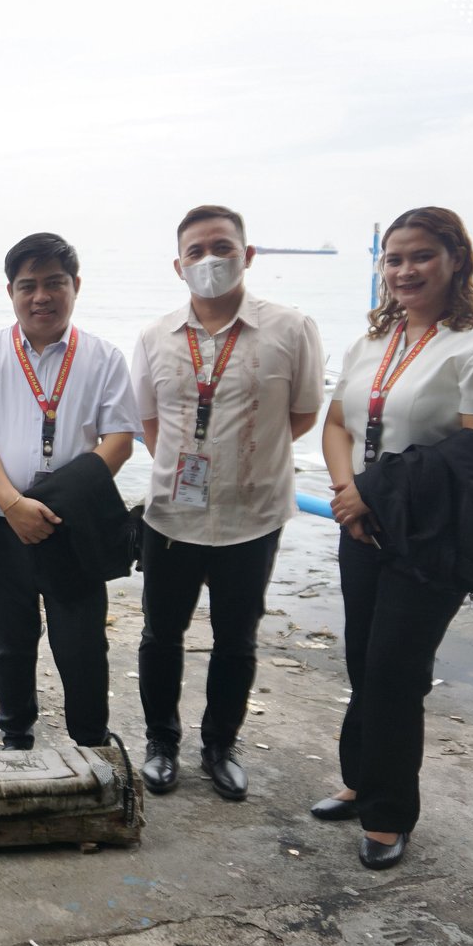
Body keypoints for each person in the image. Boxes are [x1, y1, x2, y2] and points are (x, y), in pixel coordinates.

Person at [313, 206, 473, 870]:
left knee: (395, 671)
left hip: (433, 528)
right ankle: (360, 780)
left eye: (422, 256)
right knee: (361, 657)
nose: (405, 270)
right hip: (363, 520)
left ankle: (388, 814)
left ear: (456, 259)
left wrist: (370, 492)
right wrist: (348, 495)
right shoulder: (374, 340)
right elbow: (337, 424)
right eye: (394, 259)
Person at [131, 205, 323, 801]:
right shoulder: (155, 337)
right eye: (196, 251)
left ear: (248, 255)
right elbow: (149, 422)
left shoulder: (291, 328)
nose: (209, 260)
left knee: (236, 639)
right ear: (178, 265)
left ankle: (220, 745)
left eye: (222, 247)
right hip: (171, 517)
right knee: (160, 635)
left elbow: (303, 413)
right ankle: (161, 743)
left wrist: (243, 460)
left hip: (253, 515)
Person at [0, 233, 139, 750]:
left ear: (75, 286)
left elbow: (119, 441)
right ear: (10, 291)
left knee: (82, 643)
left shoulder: (103, 357)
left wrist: (58, 503)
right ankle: (16, 734)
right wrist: (14, 504)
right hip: (2, 525)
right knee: (9, 642)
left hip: (74, 527)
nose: (41, 296)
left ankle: (90, 740)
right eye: (28, 285)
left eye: (54, 283)